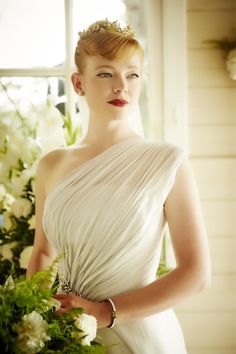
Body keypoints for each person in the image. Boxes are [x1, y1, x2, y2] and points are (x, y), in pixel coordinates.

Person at [27, 19, 211, 354]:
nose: (121, 86)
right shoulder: (51, 166)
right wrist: (35, 319)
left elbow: (196, 274)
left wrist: (103, 312)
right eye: (105, 73)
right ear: (78, 83)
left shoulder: (167, 162)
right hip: (64, 335)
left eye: (132, 74)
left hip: (138, 336)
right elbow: (42, 252)